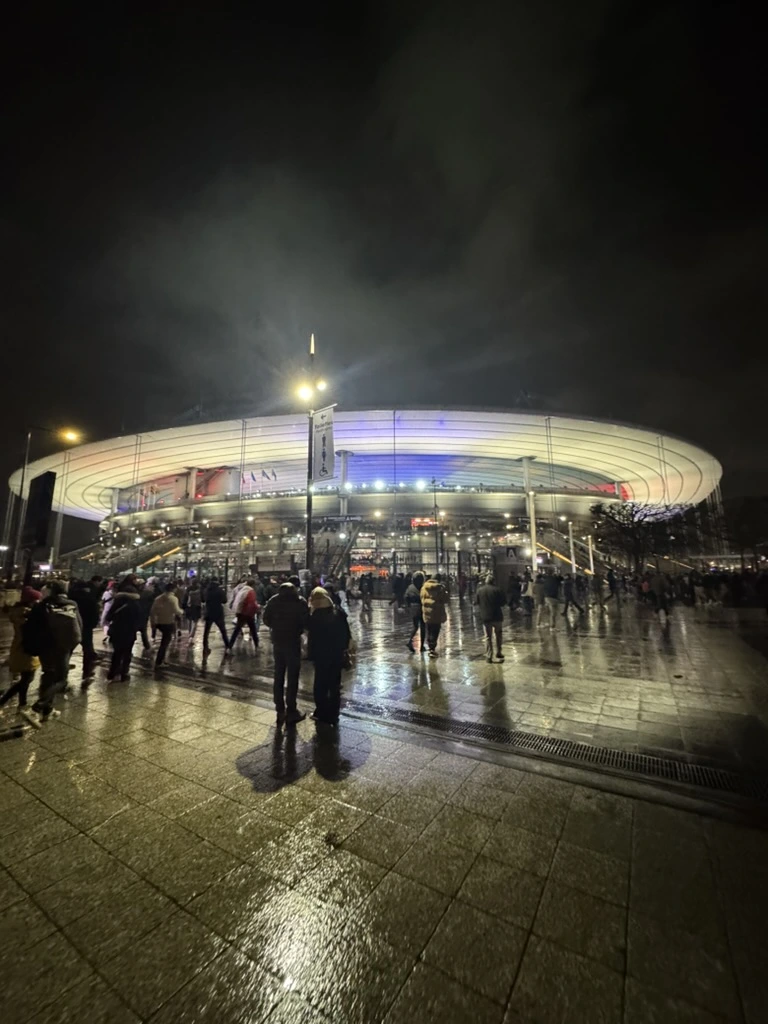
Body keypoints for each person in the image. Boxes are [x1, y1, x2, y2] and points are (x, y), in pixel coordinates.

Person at [22, 580, 82, 720]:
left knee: (48, 675)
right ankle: (37, 707)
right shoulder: (72, 604)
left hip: (45, 647)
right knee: (61, 680)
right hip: (63, 647)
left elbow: (30, 627)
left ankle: (47, 711)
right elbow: (79, 626)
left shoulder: (41, 605)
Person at [262, 580, 310, 726]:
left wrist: (276, 626)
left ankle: (279, 709)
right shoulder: (300, 602)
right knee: (293, 676)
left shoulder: (273, 601)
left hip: (278, 641)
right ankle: (291, 709)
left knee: (278, 674)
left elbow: (266, 619)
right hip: (293, 641)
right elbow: (306, 621)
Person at [307, 586, 350, 726]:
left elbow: (312, 639)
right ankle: (334, 714)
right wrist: (343, 649)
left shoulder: (315, 617)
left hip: (321, 657)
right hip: (336, 655)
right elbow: (346, 634)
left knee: (320, 685)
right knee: (335, 686)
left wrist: (311, 655)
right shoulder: (339, 613)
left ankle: (321, 713)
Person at [0, 586, 41, 712]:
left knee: (25, 677)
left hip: (22, 647)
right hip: (25, 648)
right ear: (30, 601)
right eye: (36, 600)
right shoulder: (25, 614)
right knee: (28, 678)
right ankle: (2, 701)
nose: (38, 602)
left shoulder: (21, 612)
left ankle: (22, 704)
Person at [105, 577, 142, 681]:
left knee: (117, 653)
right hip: (129, 632)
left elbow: (109, 617)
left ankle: (112, 673)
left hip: (117, 631)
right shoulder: (136, 604)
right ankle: (124, 673)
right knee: (127, 653)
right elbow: (139, 619)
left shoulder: (117, 603)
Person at [69, 575, 104, 679]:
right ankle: (86, 671)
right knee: (87, 649)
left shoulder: (71, 598)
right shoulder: (90, 599)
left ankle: (63, 667)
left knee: (69, 647)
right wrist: (92, 624)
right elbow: (94, 613)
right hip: (86, 626)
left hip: (72, 625)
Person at [150, 583, 184, 668]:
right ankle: (159, 661)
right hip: (168, 622)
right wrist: (182, 611)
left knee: (164, 641)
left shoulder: (158, 598)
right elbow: (176, 610)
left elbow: (152, 611)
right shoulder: (173, 598)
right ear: (173, 589)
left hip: (159, 622)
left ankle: (161, 660)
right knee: (165, 643)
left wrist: (153, 622)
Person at [476, 573, 506, 662]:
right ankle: (499, 652)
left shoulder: (480, 590)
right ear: (493, 581)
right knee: (498, 635)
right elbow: (503, 602)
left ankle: (489, 656)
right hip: (497, 616)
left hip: (486, 617)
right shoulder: (498, 590)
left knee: (488, 637)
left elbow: (476, 602)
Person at [420, 574, 448, 658]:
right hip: (437, 613)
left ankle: (430, 647)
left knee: (429, 630)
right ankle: (432, 648)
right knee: (435, 630)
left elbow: (421, 598)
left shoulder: (424, 587)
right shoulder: (440, 588)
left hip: (427, 613)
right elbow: (445, 599)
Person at [228, 578, 260, 649]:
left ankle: (230, 645)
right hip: (247, 613)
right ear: (253, 585)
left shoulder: (243, 590)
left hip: (240, 612)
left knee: (237, 630)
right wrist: (257, 608)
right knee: (253, 629)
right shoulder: (250, 591)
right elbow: (251, 603)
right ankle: (257, 645)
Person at [202, 578, 229, 654]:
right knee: (223, 630)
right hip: (218, 612)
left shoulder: (206, 590)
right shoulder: (220, 590)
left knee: (206, 631)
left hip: (209, 612)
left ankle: (205, 647)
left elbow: (203, 599)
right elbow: (224, 601)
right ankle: (227, 645)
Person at [405, 571, 426, 652]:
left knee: (415, 626)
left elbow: (406, 597)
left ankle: (410, 641)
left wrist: (408, 606)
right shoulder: (423, 587)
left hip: (413, 608)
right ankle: (422, 646)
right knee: (423, 627)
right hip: (421, 607)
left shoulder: (410, 587)